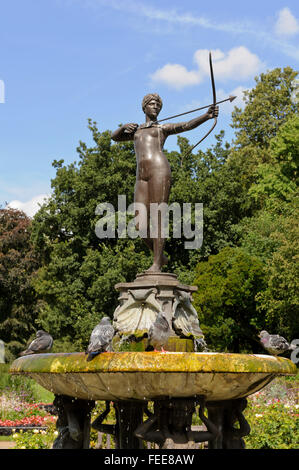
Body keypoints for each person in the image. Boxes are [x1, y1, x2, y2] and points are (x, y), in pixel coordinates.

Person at [111, 93, 218, 272]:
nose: (155, 107)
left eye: (157, 105)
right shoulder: (136, 131)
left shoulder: (162, 128)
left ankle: (156, 264)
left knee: (157, 215)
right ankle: (160, 256)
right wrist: (123, 127)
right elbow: (115, 137)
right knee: (139, 223)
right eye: (152, 104)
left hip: (159, 170)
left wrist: (206, 116)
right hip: (141, 176)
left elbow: (185, 125)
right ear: (144, 107)